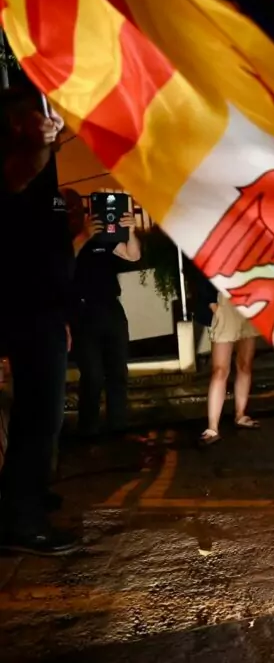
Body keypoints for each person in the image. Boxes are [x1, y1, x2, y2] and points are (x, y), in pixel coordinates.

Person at [0, 87, 81, 555]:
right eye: (36, 113)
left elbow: (52, 239)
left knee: (42, 411)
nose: (48, 118)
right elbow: (16, 176)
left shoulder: (44, 167)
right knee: (39, 412)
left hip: (46, 306)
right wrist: (41, 144)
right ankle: (22, 519)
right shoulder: (21, 158)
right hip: (24, 304)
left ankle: (24, 496)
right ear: (16, 122)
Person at [66, 189, 141, 438]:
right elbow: (64, 261)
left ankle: (118, 425)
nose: (74, 211)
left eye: (77, 206)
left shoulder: (102, 235)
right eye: (68, 207)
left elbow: (132, 255)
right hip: (83, 311)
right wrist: (84, 236)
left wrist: (130, 231)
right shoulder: (65, 238)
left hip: (110, 307)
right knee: (93, 374)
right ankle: (88, 428)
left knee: (118, 370)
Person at [200, 289, 262, 446]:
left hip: (250, 298)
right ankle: (212, 427)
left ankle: (240, 415)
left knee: (245, 364)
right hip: (225, 299)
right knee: (220, 370)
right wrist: (213, 304)